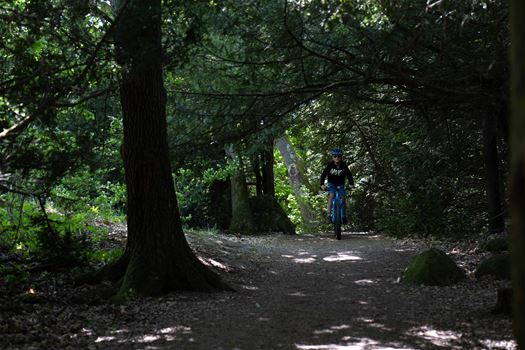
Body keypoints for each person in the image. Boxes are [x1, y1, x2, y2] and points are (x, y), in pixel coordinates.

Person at [320, 148, 354, 224]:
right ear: (332, 157)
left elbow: (349, 175)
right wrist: (322, 184)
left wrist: (351, 184)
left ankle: (344, 216)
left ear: (341, 157)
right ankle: (329, 215)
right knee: (331, 195)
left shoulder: (343, 166)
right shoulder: (330, 165)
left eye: (339, 156)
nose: (337, 158)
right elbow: (323, 174)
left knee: (343, 198)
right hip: (332, 183)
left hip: (341, 184)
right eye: (335, 156)